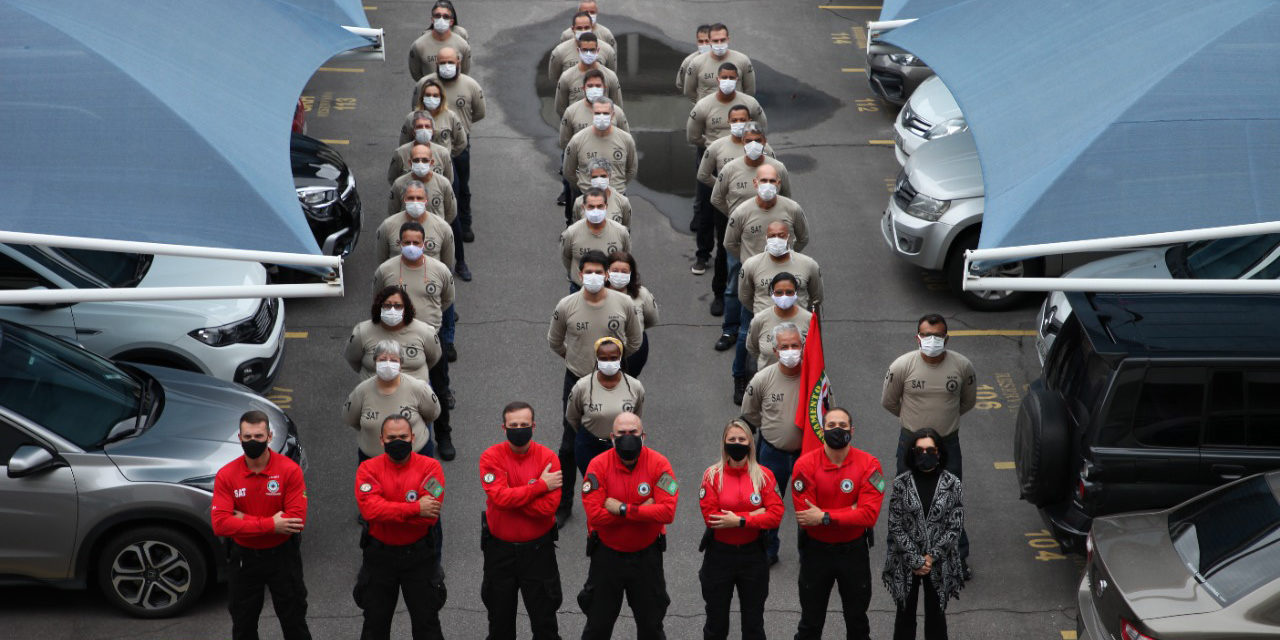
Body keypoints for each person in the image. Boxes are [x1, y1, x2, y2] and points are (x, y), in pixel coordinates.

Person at [547, 251, 644, 527]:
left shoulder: (623, 303)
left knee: (623, 440)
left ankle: (621, 500)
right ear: (580, 275)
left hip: (616, 381)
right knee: (569, 445)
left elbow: (634, 341)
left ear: (607, 275)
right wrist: (577, 360)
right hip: (578, 379)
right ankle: (564, 504)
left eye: (598, 272)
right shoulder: (566, 305)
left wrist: (614, 363)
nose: (592, 277)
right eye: (587, 272)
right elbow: (555, 342)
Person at [881, 313, 976, 577]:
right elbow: (889, 402)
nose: (931, 340)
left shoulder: (963, 366)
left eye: (937, 335)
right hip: (911, 444)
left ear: (947, 337)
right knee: (905, 499)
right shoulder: (902, 366)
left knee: (950, 500)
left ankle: (957, 558)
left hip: (947, 443)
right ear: (917, 337)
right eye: (926, 335)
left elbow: (967, 402)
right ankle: (901, 555)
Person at [211, 410, 310, 640]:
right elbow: (220, 524)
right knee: (243, 625)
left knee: (294, 621)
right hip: (244, 560)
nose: (253, 441)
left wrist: (243, 519)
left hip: (283, 558)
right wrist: (270, 524)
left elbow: (296, 521)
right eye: (247, 437)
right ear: (239, 438)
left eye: (258, 436)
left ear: (269, 435)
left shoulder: (289, 471)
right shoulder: (227, 475)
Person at [790, 407, 887, 640]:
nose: (837, 430)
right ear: (822, 430)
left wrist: (824, 516)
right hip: (816, 553)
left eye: (842, 426)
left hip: (853, 553)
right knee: (810, 624)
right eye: (831, 425)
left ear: (852, 430)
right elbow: (806, 518)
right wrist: (851, 510)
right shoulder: (804, 466)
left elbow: (868, 516)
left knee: (857, 623)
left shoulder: (870, 465)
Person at [578, 412, 677, 640]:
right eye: (621, 433)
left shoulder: (659, 464)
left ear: (643, 435)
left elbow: (667, 512)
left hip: (647, 559)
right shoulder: (598, 466)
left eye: (633, 432)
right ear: (612, 438)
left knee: (652, 627)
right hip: (607, 557)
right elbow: (595, 516)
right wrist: (645, 509)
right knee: (597, 627)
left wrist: (622, 509)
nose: (627, 437)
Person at [353, 415, 447, 640]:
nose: (398, 441)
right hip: (379, 558)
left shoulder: (431, 468)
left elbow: (430, 516)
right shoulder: (368, 469)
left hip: (419, 558)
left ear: (413, 437)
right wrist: (414, 509)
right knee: (375, 625)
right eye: (392, 437)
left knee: (428, 626)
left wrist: (388, 511)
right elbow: (370, 512)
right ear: (382, 440)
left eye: (403, 436)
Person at [478, 401, 564, 640]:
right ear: (503, 428)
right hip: (499, 553)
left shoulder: (548, 459)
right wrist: (540, 485)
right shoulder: (490, 457)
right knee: (500, 624)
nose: (519, 429)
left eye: (524, 424)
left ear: (533, 426)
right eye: (513, 425)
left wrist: (512, 497)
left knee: (545, 622)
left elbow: (548, 508)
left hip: (538, 553)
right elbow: (499, 498)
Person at [697, 420, 783, 640]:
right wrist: (756, 513)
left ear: (751, 443)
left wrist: (740, 520)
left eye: (742, 439)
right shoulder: (712, 475)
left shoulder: (764, 476)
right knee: (715, 624)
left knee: (754, 625)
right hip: (719, 557)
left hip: (753, 556)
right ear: (724, 443)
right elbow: (712, 518)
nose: (737, 444)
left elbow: (775, 516)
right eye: (732, 439)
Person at [884, 428, 965, 640]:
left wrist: (930, 557)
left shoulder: (953, 484)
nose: (925, 454)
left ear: (939, 453)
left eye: (930, 449)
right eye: (919, 450)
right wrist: (916, 559)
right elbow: (895, 524)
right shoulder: (901, 483)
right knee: (904, 617)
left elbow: (954, 526)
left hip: (938, 562)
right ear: (912, 452)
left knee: (937, 617)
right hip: (906, 560)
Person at [720, 164, 809, 351]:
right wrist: (748, 262)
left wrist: (789, 256)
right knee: (744, 315)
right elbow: (730, 243)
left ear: (779, 183)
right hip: (752, 272)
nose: (768, 185)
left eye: (772, 181)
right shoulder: (742, 211)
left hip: (783, 273)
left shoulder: (792, 208)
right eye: (763, 181)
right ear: (755, 183)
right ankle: (732, 339)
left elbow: (803, 238)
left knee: (782, 316)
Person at [740, 323, 804, 562]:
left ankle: (807, 552)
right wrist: (772, 429)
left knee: (807, 505)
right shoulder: (762, 378)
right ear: (776, 351)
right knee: (768, 504)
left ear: (803, 346)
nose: (790, 351)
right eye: (784, 346)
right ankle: (768, 549)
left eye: (795, 345)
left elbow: (826, 413)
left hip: (806, 455)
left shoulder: (815, 377)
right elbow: (750, 412)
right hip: (771, 452)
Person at [416, 47, 485, 247]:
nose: (446, 66)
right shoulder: (425, 85)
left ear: (459, 63)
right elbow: (416, 111)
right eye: (442, 62)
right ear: (436, 64)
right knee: (428, 187)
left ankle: (464, 223)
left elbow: (479, 112)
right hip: (427, 149)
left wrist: (458, 138)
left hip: (458, 147)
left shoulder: (470, 85)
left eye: (450, 62)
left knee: (461, 186)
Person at [343, 340, 442, 461]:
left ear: (401, 365)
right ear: (375, 363)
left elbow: (433, 413)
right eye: (383, 359)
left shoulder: (419, 388)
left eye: (394, 360)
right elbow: (350, 419)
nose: (388, 364)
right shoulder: (361, 391)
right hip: (373, 463)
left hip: (415, 459)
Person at [567, 337, 645, 474]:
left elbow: (636, 417)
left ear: (620, 358)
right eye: (603, 359)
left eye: (613, 358)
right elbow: (572, 417)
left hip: (623, 445)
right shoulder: (582, 386)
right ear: (597, 359)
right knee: (594, 488)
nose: (609, 362)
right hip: (589, 447)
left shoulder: (635, 387)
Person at [562, 98, 637, 223]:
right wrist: (583, 187)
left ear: (613, 114)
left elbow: (631, 170)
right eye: (598, 113)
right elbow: (568, 171)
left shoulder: (626, 140)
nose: (601, 116)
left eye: (606, 113)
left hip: (616, 196)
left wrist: (616, 188)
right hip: (585, 195)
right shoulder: (577, 140)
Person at [373, 223, 455, 336]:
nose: (411, 247)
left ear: (424, 244)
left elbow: (447, 299)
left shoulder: (441, 270)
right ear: (400, 244)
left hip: (430, 335)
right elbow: (378, 298)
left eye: (416, 243)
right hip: (395, 335)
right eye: (407, 243)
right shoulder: (384, 270)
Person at [345, 286, 442, 379]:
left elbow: (434, 357)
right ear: (379, 307)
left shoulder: (424, 331)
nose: (392, 310)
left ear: (406, 308)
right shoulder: (362, 332)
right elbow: (352, 359)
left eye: (398, 306)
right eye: (387, 305)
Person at [738, 222, 823, 315]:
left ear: (788, 237)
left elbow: (816, 298)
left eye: (781, 235)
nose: (776, 239)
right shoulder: (751, 265)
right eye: (772, 236)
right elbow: (745, 297)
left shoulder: (809, 264)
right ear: (766, 238)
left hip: (798, 326)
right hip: (765, 326)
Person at [710, 127, 792, 218]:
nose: (753, 145)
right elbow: (716, 198)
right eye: (749, 141)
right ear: (743, 142)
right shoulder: (729, 168)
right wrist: (734, 215)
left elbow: (786, 198)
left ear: (765, 142)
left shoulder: (779, 168)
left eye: (757, 140)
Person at [560, 188, 631, 288]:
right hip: (579, 288)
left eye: (600, 206)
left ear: (606, 206)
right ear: (583, 207)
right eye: (591, 207)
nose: (596, 210)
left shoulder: (621, 232)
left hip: (611, 289)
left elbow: (626, 257)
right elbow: (566, 258)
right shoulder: (571, 233)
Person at [377, 181, 456, 269]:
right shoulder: (387, 226)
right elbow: (382, 261)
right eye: (411, 198)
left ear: (426, 200)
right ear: (404, 200)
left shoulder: (443, 228)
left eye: (419, 198)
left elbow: (447, 264)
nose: (415, 202)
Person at [606, 251, 657, 376]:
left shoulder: (642, 294)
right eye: (615, 270)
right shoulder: (597, 295)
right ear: (607, 273)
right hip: (604, 352)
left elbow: (651, 319)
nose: (619, 275)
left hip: (634, 352)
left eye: (624, 272)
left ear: (631, 274)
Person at [746, 273, 812, 370]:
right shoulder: (759, 320)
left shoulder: (809, 319)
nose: (784, 297)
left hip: (801, 378)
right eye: (779, 292)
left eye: (789, 292)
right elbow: (752, 347)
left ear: (796, 292)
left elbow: (814, 350)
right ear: (772, 293)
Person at [554, 33, 623, 117]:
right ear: (578, 51)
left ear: (597, 51)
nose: (588, 53)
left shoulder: (610, 76)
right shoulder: (566, 77)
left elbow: (617, 107)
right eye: (585, 50)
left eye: (592, 50)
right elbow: (560, 108)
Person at [559, 71, 631, 151]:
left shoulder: (617, 112)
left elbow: (626, 142)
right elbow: (565, 144)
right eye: (590, 86)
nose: (594, 89)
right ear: (583, 88)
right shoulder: (571, 112)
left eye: (598, 86)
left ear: (604, 87)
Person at [683, 23, 756, 101]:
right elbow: (689, 91)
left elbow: (750, 91)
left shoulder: (743, 60)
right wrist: (702, 105)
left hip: (735, 111)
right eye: (715, 41)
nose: (719, 44)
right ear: (710, 41)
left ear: (728, 39)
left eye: (722, 40)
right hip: (707, 112)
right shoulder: (696, 62)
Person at [387, 145, 458, 220]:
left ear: (431, 162)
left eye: (425, 160)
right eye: (416, 160)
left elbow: (451, 212)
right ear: (410, 163)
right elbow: (393, 211)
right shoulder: (399, 184)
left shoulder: (443, 183)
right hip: (407, 230)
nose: (420, 163)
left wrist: (438, 227)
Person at [401, 80, 468, 159]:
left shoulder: (451, 116)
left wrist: (447, 154)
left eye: (435, 95)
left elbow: (462, 142)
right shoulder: (411, 118)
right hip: (419, 162)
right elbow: (404, 143)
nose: (431, 98)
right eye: (428, 95)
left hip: (442, 163)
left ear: (441, 98)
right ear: (422, 97)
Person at [408, 0, 471, 81]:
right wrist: (428, 86)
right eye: (437, 16)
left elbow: (465, 70)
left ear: (451, 21)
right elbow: (415, 72)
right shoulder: (419, 45)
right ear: (432, 19)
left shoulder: (462, 43)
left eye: (446, 17)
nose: (441, 19)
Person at [548, 11, 618, 83]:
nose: (583, 31)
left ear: (592, 28)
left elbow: (612, 78)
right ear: (573, 29)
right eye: (579, 28)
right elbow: (554, 78)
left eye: (587, 27)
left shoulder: (608, 50)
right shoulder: (559, 51)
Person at [387, 112, 454, 185]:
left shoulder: (443, 153)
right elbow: (393, 179)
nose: (423, 130)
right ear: (413, 131)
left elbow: (448, 180)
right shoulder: (400, 153)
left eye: (427, 126)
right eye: (419, 126)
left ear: (433, 131)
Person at [570, 159, 633, 228]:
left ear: (610, 176)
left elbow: (626, 228)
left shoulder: (623, 202)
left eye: (603, 176)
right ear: (589, 178)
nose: (599, 180)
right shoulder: (579, 202)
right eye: (595, 177)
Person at [675, 25, 712, 92]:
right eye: (701, 41)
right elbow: (680, 84)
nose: (704, 44)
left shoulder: (724, 59)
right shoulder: (688, 61)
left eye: (707, 41)